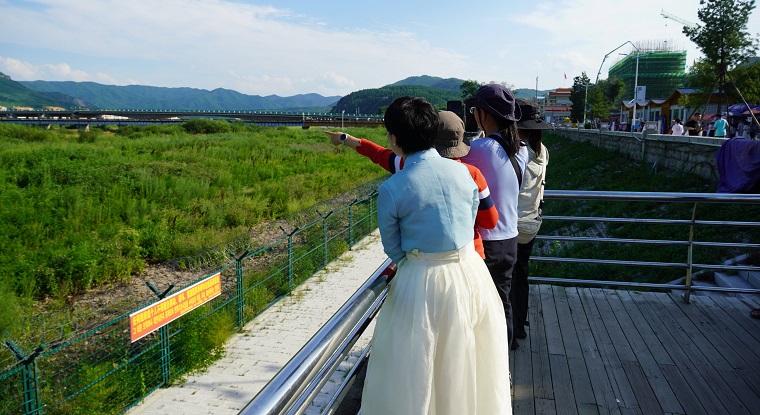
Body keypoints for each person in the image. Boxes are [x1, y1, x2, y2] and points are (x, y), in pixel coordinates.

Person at [360, 96, 511, 415]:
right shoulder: (466, 173)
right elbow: (474, 218)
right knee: (468, 356)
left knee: (418, 364)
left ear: (394, 138)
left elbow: (393, 247)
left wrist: (416, 262)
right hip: (470, 272)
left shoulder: (393, 188)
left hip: (421, 279)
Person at [324, 110, 498, 259]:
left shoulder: (406, 166)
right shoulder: (471, 174)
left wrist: (344, 138)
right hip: (470, 258)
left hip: (423, 263)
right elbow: (490, 222)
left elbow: (377, 153)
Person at [461, 84, 528, 350]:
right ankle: (505, 359)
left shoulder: (478, 149)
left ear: (483, 114)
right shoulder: (521, 149)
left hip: (486, 242)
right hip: (510, 239)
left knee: (480, 307)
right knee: (503, 303)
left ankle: (486, 362)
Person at [511, 99, 551, 341]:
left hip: (513, 224)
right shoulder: (542, 150)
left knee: (507, 278)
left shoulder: (517, 151)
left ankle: (512, 329)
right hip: (532, 223)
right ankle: (520, 322)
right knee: (521, 274)